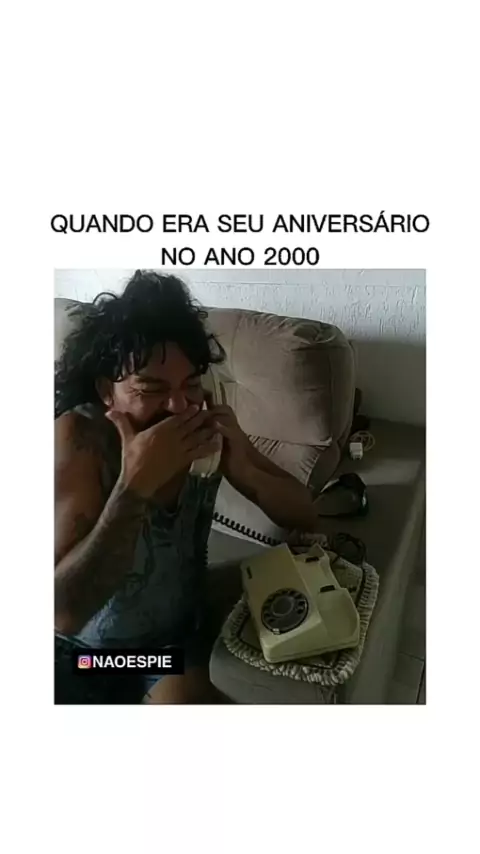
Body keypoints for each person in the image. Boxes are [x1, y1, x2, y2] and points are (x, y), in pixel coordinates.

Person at [54, 270, 321, 703]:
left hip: (179, 633)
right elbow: (61, 613)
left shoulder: (206, 426)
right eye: (151, 389)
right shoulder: (80, 440)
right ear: (107, 390)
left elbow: (305, 515)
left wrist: (245, 468)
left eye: (191, 384)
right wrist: (133, 487)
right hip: (89, 656)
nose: (179, 406)